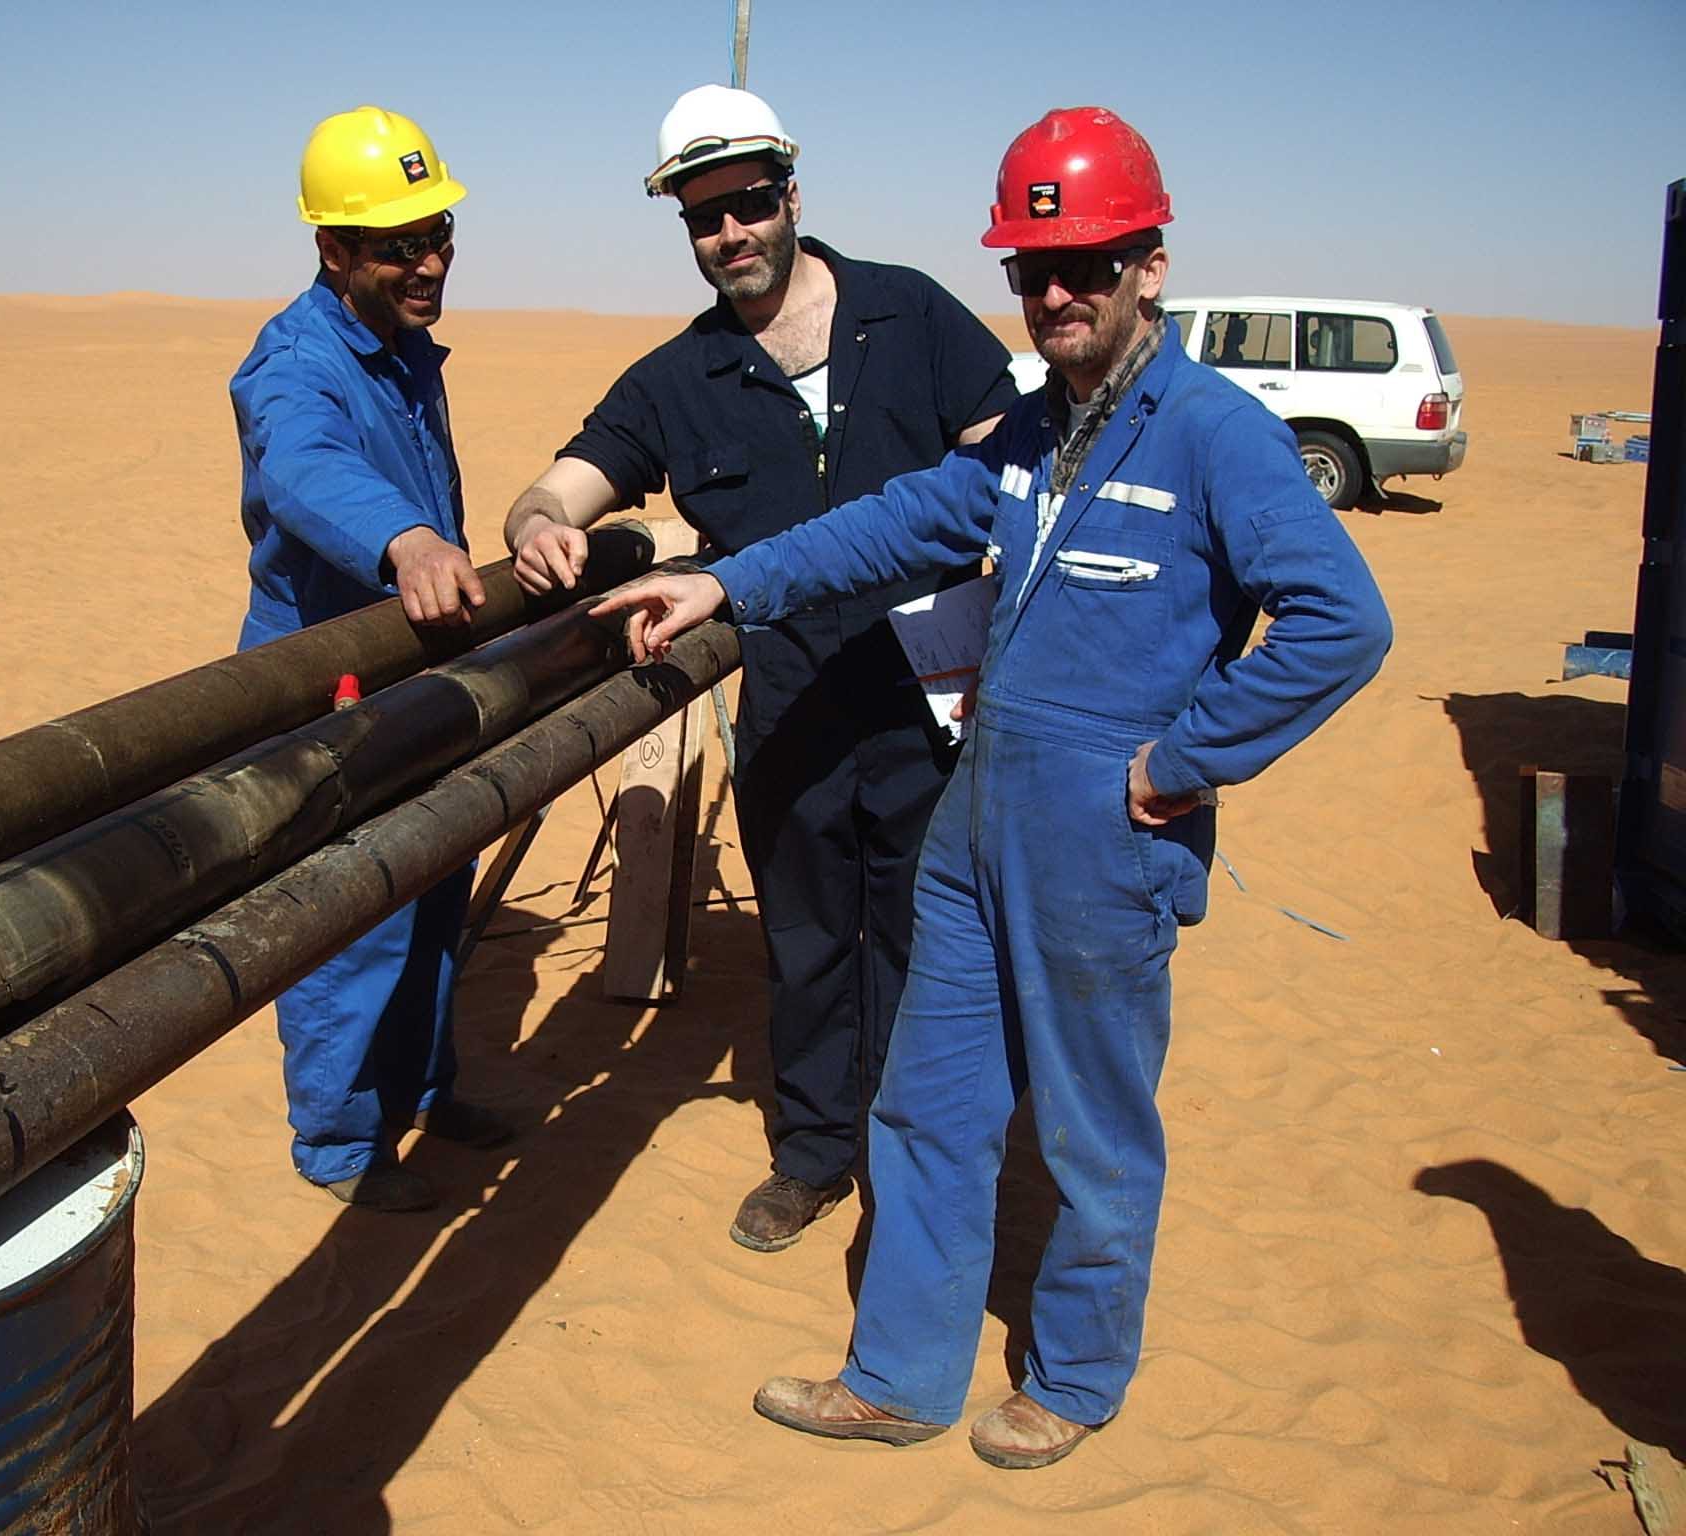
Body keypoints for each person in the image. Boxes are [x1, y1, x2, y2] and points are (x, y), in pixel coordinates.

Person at [594, 106, 1392, 1467]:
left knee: (1089, 1124)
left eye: (1085, 263)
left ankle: (1076, 1375)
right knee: (929, 1098)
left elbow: (1342, 622)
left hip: (1105, 834)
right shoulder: (1034, 437)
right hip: (977, 815)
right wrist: (729, 577)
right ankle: (902, 1372)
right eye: (1033, 271)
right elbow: (892, 522)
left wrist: (1179, 764)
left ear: (1149, 261)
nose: (1056, 295)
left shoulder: (1215, 436)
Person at [504, 85, 1019, 1253]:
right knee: (805, 935)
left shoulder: (913, 317)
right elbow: (561, 483)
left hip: (931, 695)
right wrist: (540, 526)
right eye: (701, 218)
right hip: (786, 702)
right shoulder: (676, 381)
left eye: (744, 204)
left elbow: (1008, 455)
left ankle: (909, 1162)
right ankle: (813, 1154)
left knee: (919, 934)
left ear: (789, 194)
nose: (727, 234)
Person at [231, 105, 509, 1212]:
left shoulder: (401, 349)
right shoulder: (294, 360)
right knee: (354, 914)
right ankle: (342, 1146)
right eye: (398, 245)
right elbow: (302, 467)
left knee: (435, 886)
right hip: (331, 680)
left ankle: (424, 1091)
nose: (430, 261)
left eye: (438, 233)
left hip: (421, 662)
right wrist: (407, 539)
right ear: (331, 250)